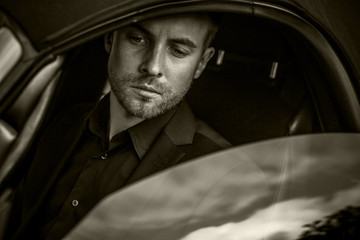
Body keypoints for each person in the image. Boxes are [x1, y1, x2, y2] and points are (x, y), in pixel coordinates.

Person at [5, 13, 231, 240]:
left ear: (201, 63)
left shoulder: (219, 175)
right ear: (110, 38)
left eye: (178, 51)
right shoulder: (64, 124)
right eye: (137, 39)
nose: (152, 67)